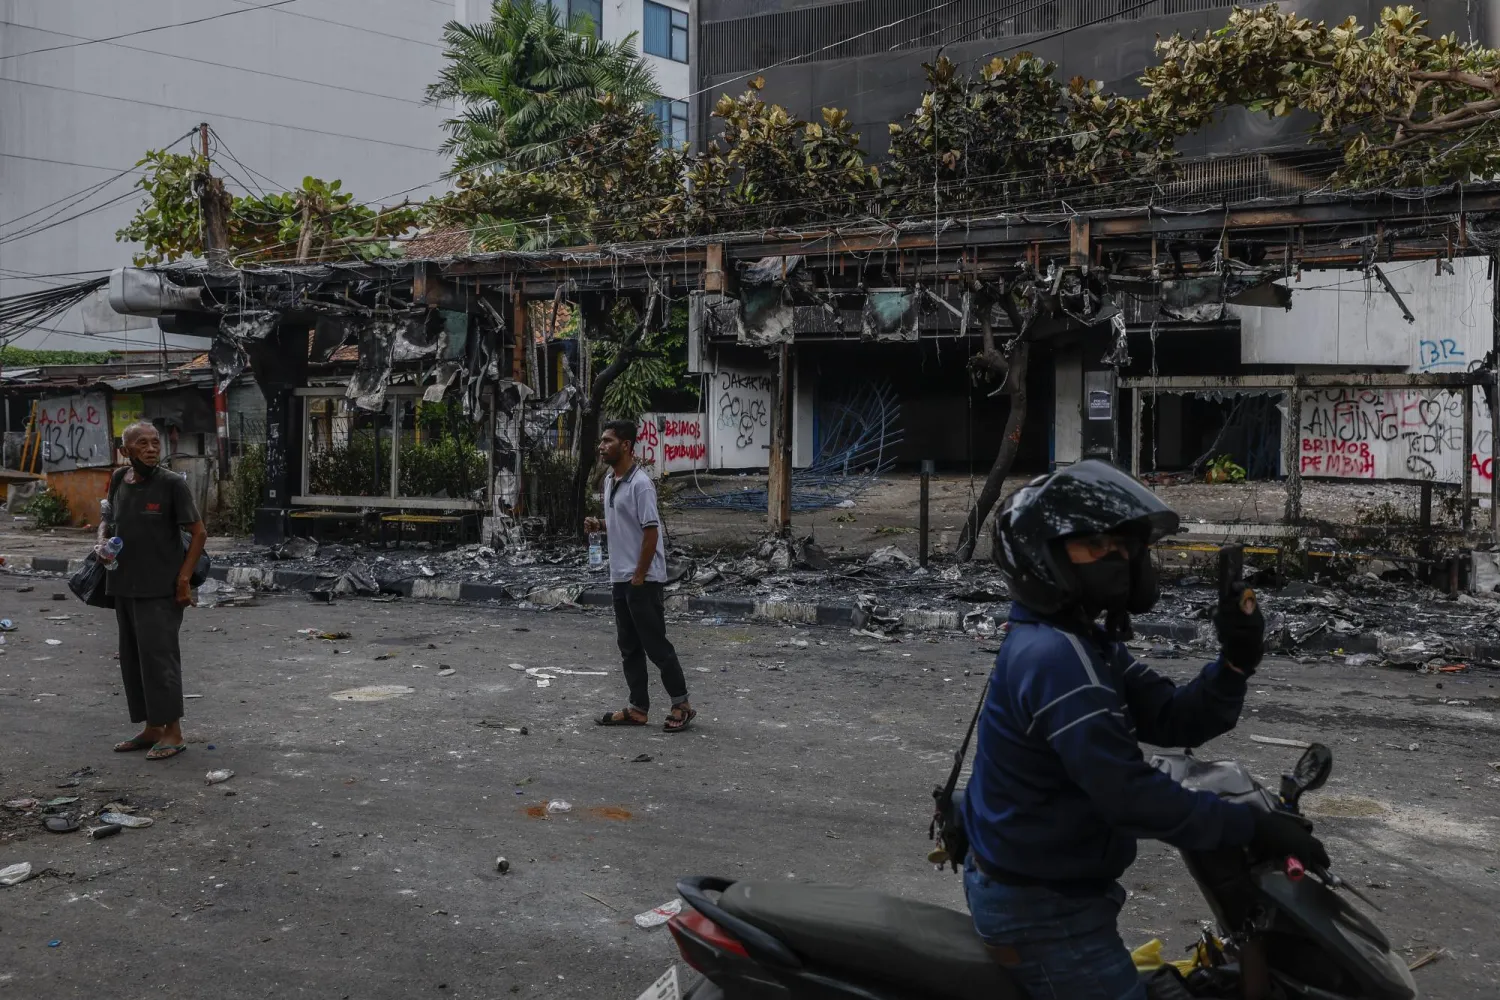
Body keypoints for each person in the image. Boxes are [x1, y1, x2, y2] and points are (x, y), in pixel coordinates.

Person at [962, 460, 1327, 1000]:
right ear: (1043, 558)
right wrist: (1249, 826)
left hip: (1057, 890)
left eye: (1124, 545)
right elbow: (1128, 795)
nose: (1118, 558)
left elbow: (1173, 716)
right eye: (1093, 545)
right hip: (1043, 912)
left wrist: (1236, 662)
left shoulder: (1084, 643)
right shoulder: (1055, 657)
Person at [98, 421, 208, 761]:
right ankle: (152, 728)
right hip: (124, 584)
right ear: (125, 450)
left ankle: (173, 732)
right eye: (141, 443)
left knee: (160, 661)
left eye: (154, 443)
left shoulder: (172, 484)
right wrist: (101, 541)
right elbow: (107, 519)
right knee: (133, 661)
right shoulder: (119, 479)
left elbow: (199, 533)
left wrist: (183, 580)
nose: (150, 448)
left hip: (160, 588)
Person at [584, 420, 696, 733]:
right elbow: (624, 524)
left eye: (608, 441)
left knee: (655, 644)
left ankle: (681, 704)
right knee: (629, 646)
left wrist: (640, 574)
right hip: (620, 576)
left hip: (641, 579)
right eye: (602, 441)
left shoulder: (640, 484)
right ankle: (638, 708)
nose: (602, 446)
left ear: (627, 445)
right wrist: (600, 526)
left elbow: (650, 532)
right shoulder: (610, 480)